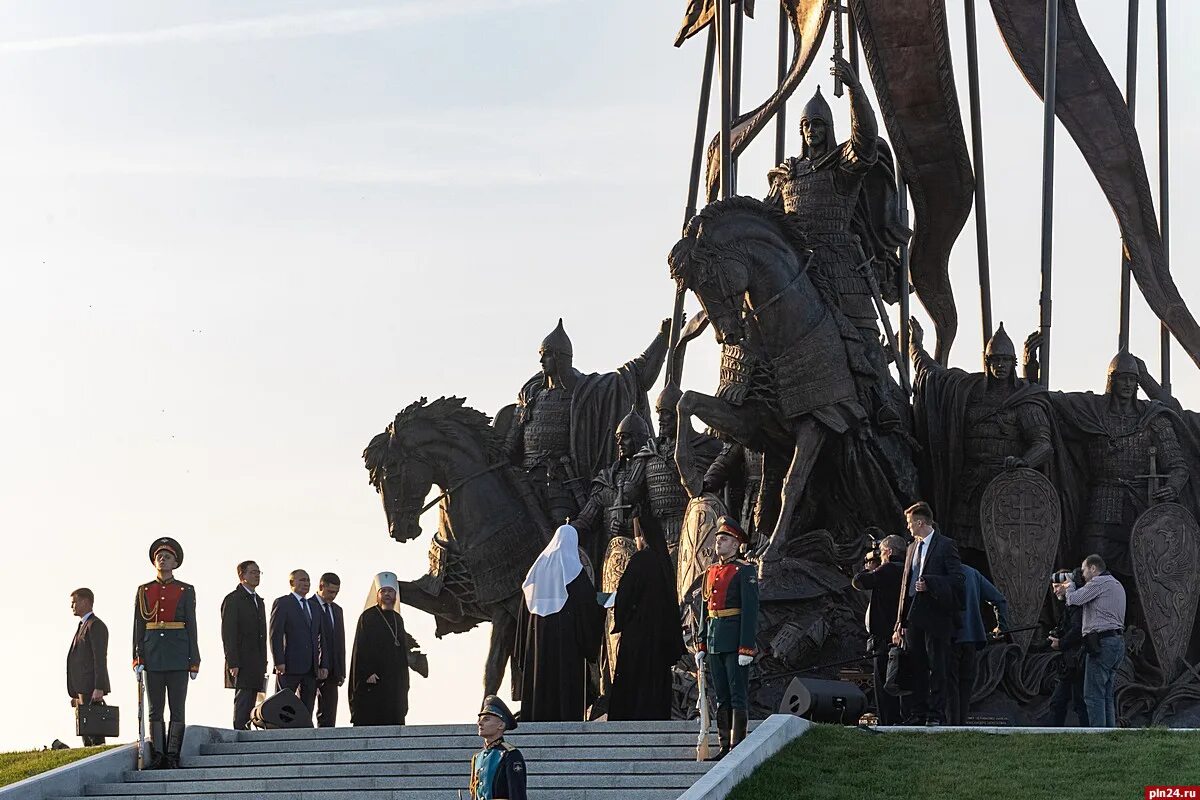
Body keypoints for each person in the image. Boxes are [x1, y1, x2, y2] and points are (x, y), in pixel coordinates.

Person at [908, 319, 1055, 573]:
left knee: (1002, 559)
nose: (1000, 365)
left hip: (1005, 490)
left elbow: (1043, 444)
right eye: (995, 360)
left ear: (1013, 364)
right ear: (987, 362)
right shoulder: (969, 391)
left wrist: (1024, 462)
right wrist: (915, 346)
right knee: (962, 553)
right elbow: (933, 375)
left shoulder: (1025, 400)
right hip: (969, 486)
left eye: (1006, 361)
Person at [505, 317, 669, 525]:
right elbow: (511, 446)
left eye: (546, 356)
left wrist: (663, 338)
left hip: (560, 484)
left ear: (560, 358)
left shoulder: (585, 393)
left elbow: (634, 376)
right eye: (541, 356)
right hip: (525, 481)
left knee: (562, 526)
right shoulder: (531, 396)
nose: (541, 361)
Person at [515, 522, 603, 722]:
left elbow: (523, 620)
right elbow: (587, 608)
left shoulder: (534, 575)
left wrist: (524, 650)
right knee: (564, 687)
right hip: (566, 646)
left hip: (537, 646)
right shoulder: (574, 573)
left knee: (539, 683)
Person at [607, 516, 686, 720]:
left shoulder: (640, 560)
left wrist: (622, 617)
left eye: (638, 537)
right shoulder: (663, 561)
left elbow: (625, 593)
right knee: (655, 677)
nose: (637, 542)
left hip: (639, 632)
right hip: (660, 634)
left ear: (643, 537)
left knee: (636, 677)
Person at [892, 502, 963, 726]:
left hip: (935, 614)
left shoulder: (945, 546)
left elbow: (958, 580)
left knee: (937, 664)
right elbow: (905, 585)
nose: (908, 528)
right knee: (916, 664)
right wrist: (900, 622)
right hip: (913, 613)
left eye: (910, 523)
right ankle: (918, 711)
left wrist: (931, 583)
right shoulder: (912, 547)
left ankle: (936, 713)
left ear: (920, 522)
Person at [695, 516, 759, 759]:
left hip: (734, 641)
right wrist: (701, 642)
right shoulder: (710, 571)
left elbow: (750, 611)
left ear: (736, 544)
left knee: (736, 693)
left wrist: (746, 647)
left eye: (724, 539)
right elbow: (704, 609)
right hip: (714, 640)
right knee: (721, 695)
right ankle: (724, 744)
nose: (718, 543)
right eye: (718, 539)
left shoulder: (744, 571)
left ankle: (737, 745)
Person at [133, 537, 200, 768]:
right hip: (152, 655)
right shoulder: (144, 590)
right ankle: (158, 755)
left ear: (175, 562)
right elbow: (138, 627)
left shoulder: (185, 590)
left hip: (179, 655)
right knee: (154, 709)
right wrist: (138, 657)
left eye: (167, 556)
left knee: (177, 708)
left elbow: (192, 625)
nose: (162, 559)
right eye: (159, 556)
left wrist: (194, 660)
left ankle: (173, 755)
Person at [1054, 554, 1126, 728]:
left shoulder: (1099, 583)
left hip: (1102, 644)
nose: (1083, 574)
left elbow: (1074, 600)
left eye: (1084, 569)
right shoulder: (1116, 584)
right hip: (1117, 643)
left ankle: (1098, 737)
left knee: (1093, 695)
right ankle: (1109, 733)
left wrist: (1070, 585)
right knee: (1106, 695)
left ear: (1093, 568)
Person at [348, 572, 423, 726]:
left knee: (394, 716)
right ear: (378, 594)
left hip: (395, 680)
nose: (387, 595)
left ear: (395, 594)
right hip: (374, 678)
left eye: (390, 591)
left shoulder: (398, 619)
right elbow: (360, 649)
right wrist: (367, 672)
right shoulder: (367, 617)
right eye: (384, 591)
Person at [851, 534, 906, 725]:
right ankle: (901, 718)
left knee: (883, 682)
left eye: (882, 552)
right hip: (902, 634)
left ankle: (887, 721)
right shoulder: (908, 568)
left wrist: (869, 569)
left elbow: (859, 582)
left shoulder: (889, 569)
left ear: (889, 552)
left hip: (884, 636)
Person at [948, 564, 1008, 726]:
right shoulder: (972, 572)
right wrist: (1002, 625)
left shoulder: (938, 571)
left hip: (947, 639)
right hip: (970, 637)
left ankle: (951, 723)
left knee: (948, 683)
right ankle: (960, 723)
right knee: (965, 684)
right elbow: (999, 599)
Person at [269, 569, 328, 722]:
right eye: (302, 580)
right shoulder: (283, 603)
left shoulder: (314, 607)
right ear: (292, 583)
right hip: (289, 665)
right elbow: (275, 634)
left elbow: (321, 638)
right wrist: (279, 661)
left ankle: (305, 734)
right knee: (283, 704)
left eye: (308, 580)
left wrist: (323, 664)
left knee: (307, 707)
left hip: (311, 667)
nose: (306, 584)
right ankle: (279, 733)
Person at [221, 561, 267, 731]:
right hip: (241, 660)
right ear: (242, 576)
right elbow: (228, 633)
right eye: (253, 572)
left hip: (256, 660)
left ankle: (248, 729)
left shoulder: (258, 600)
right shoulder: (233, 599)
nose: (256, 575)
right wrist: (233, 661)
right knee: (243, 698)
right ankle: (240, 732)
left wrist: (264, 661)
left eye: (258, 572)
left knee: (254, 697)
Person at [67, 588, 110, 746]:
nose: (72, 606)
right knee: (85, 731)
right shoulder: (83, 625)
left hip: (90, 687)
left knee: (94, 732)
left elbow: (100, 658)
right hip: (81, 689)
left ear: (85, 602)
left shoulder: (95, 625)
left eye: (74, 602)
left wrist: (99, 687)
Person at [1046, 567, 1088, 727]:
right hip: (1070, 663)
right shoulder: (1070, 605)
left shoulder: (1075, 604)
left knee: (1079, 703)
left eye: (1058, 585)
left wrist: (1061, 643)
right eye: (1053, 587)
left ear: (1067, 584)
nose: (1055, 590)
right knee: (1060, 703)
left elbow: (1078, 629)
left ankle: (1090, 735)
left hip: (1077, 662)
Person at [470, 695, 527, 800]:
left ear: (501, 725)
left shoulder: (510, 754)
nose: (479, 723)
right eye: (480, 719)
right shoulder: (477, 758)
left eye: (486, 719)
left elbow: (517, 794)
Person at [311, 572, 346, 728]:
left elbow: (340, 642)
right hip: (311, 667)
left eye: (336, 593)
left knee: (329, 713)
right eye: (330, 592)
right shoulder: (308, 605)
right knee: (305, 709)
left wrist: (341, 671)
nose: (333, 596)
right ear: (321, 586)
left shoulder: (337, 610)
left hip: (332, 670)